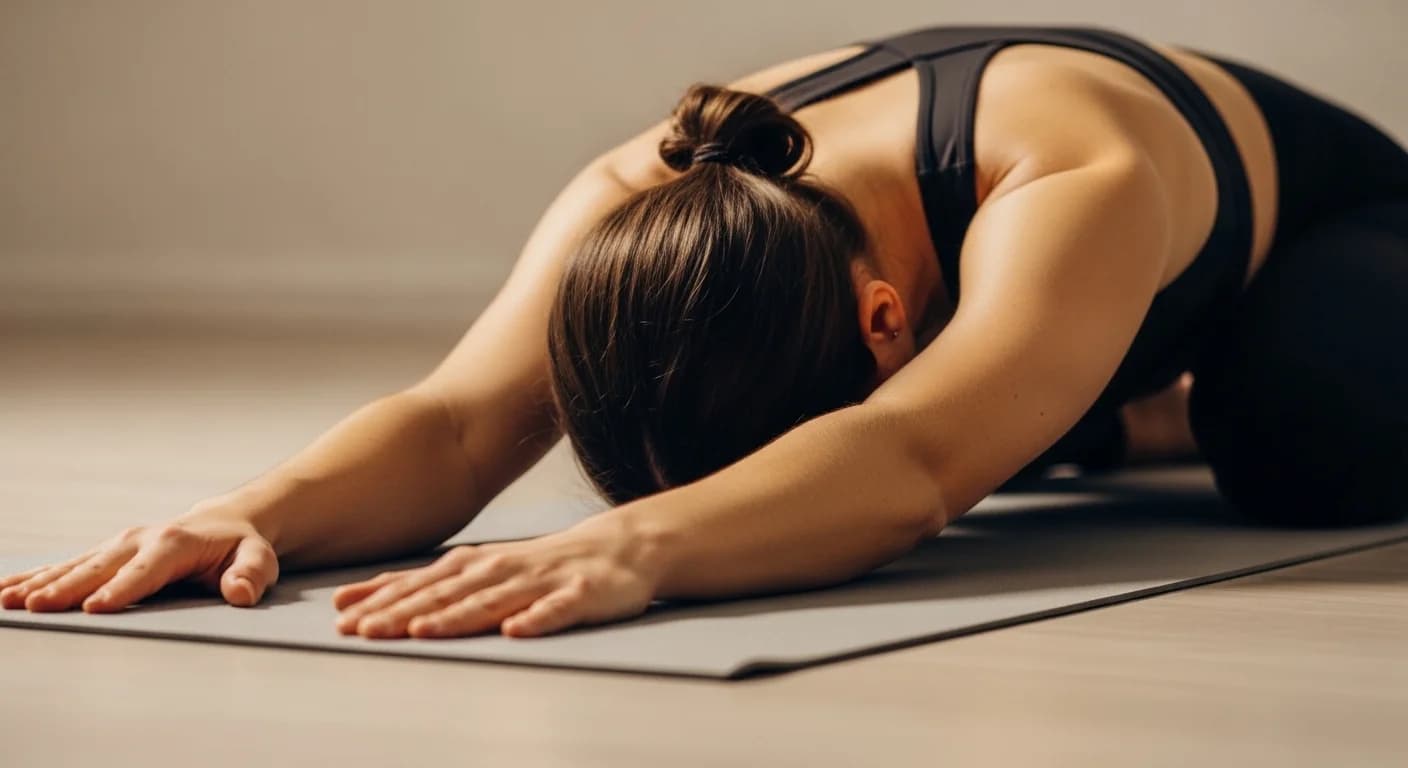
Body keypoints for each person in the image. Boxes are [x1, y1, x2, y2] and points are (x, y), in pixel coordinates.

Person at [4, 25, 1406, 640]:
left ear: (878, 323)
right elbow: (455, 421)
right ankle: (1091, 398)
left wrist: (633, 545)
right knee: (994, 420)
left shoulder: (1065, 173)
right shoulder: (639, 195)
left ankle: (1157, 404)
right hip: (1053, 306)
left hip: (1362, 242)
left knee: (1293, 421)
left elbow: (909, 465)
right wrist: (247, 515)